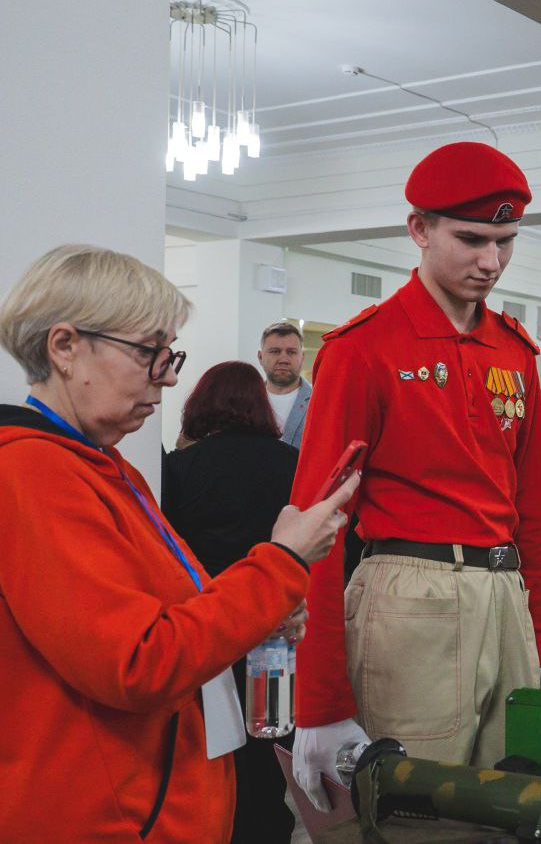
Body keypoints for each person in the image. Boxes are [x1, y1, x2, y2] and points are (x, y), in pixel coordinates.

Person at [0, 244, 354, 842]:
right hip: (108, 816)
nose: (165, 376)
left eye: (170, 356)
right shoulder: (34, 474)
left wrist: (262, 609)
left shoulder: (105, 466)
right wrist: (282, 562)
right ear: (64, 347)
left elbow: (171, 611)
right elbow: (140, 662)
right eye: (148, 353)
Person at [290, 142, 541, 810]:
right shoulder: (364, 349)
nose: (492, 261)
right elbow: (313, 529)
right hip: (409, 596)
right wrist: (320, 700)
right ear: (418, 228)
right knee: (409, 812)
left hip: (507, 595)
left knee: (517, 803)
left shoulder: (513, 349)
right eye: (471, 238)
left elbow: (536, 509)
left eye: (506, 241)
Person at [162, 360, 302, 844]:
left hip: (208, 632)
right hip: (275, 636)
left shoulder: (178, 469)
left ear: (201, 404)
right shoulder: (293, 464)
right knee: (271, 754)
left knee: (214, 751)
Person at [258, 321, 310, 448]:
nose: (284, 360)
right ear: (260, 357)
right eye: (275, 351)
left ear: (302, 357)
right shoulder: (246, 404)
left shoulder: (320, 402)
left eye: (291, 352)